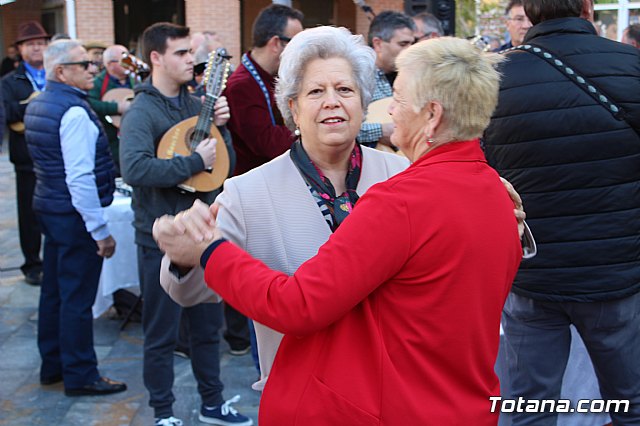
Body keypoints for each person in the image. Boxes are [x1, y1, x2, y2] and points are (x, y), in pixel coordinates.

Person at [155, 33, 523, 425]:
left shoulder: (402, 178)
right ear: (293, 109)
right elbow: (193, 288)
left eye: (345, 89)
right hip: (306, 392)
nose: (332, 100)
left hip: (390, 398)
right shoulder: (248, 191)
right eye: (316, 91)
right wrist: (183, 257)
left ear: (364, 104)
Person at [482, 0, 640, 424]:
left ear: (528, 13)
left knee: (529, 407)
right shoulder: (631, 65)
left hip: (532, 273)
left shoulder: (496, 77)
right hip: (618, 272)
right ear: (588, 8)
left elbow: (480, 173)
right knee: (632, 401)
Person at [119, 22, 250, 426]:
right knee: (161, 333)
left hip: (203, 234)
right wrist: (193, 163)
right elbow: (134, 167)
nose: (189, 59)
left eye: (190, 52)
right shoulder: (142, 110)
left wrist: (223, 131)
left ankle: (212, 405)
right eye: (180, 53)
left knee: (207, 328)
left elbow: (222, 165)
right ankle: (162, 413)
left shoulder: (198, 106)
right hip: (159, 238)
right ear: (156, 58)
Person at [23, 39, 125, 396]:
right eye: (84, 65)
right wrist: (100, 231)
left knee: (54, 291)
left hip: (50, 209)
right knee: (76, 298)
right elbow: (79, 178)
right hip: (72, 215)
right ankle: (81, 374)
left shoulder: (41, 103)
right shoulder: (74, 111)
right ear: (62, 71)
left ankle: (53, 365)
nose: (92, 69)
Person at [222, 3, 303, 356]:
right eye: (296, 43)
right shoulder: (241, 84)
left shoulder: (267, 77)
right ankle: (248, 342)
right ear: (276, 43)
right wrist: (307, 133)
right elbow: (266, 142)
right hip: (254, 195)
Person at [1, 21, 48, 286]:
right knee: (28, 212)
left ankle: (51, 258)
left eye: (40, 43)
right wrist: (31, 107)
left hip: (53, 153)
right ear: (20, 49)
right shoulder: (10, 81)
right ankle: (32, 263)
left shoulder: (55, 73)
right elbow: (6, 112)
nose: (36, 49)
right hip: (25, 155)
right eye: (31, 44)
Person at [361, 10, 415, 150]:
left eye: (411, 44)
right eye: (403, 44)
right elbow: (339, 128)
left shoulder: (412, 76)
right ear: (378, 44)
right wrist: (380, 131)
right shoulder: (357, 77)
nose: (410, 50)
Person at [87, 44, 135, 175]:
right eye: (124, 60)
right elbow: (90, 103)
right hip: (111, 139)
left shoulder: (135, 80)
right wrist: (116, 107)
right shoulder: (97, 83)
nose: (129, 63)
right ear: (110, 64)